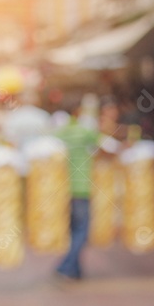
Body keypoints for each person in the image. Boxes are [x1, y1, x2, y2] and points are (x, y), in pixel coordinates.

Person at [54, 100, 102, 281]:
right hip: (82, 187)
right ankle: (65, 266)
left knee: (74, 230)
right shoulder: (84, 131)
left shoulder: (61, 133)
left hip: (64, 189)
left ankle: (75, 269)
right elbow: (105, 146)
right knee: (83, 230)